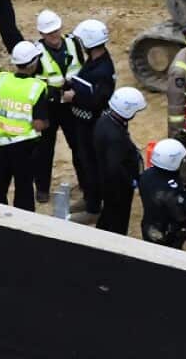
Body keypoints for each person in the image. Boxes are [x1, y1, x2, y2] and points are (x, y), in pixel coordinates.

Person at [0, 41, 49, 211]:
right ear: (33, 64)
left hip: (0, 143)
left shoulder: (1, 79)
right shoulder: (37, 87)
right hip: (24, 146)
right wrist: (47, 123)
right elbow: (38, 125)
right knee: (24, 189)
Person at [63, 18, 116, 224]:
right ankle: (89, 198)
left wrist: (73, 97)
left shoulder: (102, 71)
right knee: (83, 162)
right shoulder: (93, 61)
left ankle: (93, 208)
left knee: (91, 165)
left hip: (91, 125)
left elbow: (98, 100)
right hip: (82, 122)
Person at [33, 9, 83, 204]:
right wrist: (61, 95)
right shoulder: (36, 53)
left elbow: (83, 69)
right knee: (44, 150)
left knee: (79, 145)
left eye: (56, 31)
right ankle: (42, 189)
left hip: (71, 105)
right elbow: (35, 86)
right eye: (49, 33)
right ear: (42, 34)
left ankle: (85, 183)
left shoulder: (74, 43)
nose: (54, 36)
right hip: (49, 107)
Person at [94, 87, 147, 235]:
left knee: (108, 215)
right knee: (118, 221)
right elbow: (115, 167)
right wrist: (131, 181)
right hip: (117, 188)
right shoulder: (115, 137)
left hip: (106, 181)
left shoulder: (105, 120)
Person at [139, 138, 186, 248]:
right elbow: (181, 214)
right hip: (167, 234)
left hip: (149, 226)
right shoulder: (170, 189)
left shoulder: (147, 175)